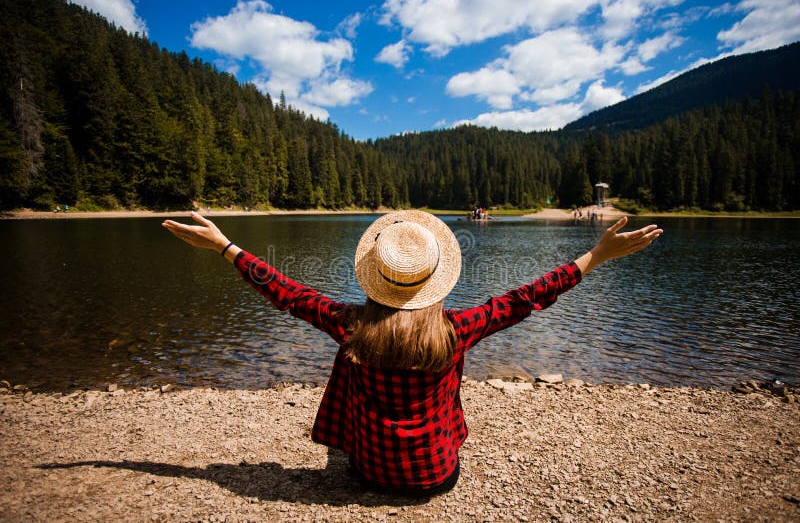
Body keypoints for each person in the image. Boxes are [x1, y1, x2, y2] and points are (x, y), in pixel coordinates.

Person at [162, 210, 661, 496]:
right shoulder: (456, 329)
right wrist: (596, 256)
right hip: (436, 476)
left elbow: (288, 294)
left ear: (377, 277)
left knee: (347, 354)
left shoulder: (351, 325)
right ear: (435, 278)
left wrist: (226, 246)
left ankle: (353, 443)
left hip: (370, 475)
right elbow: (526, 298)